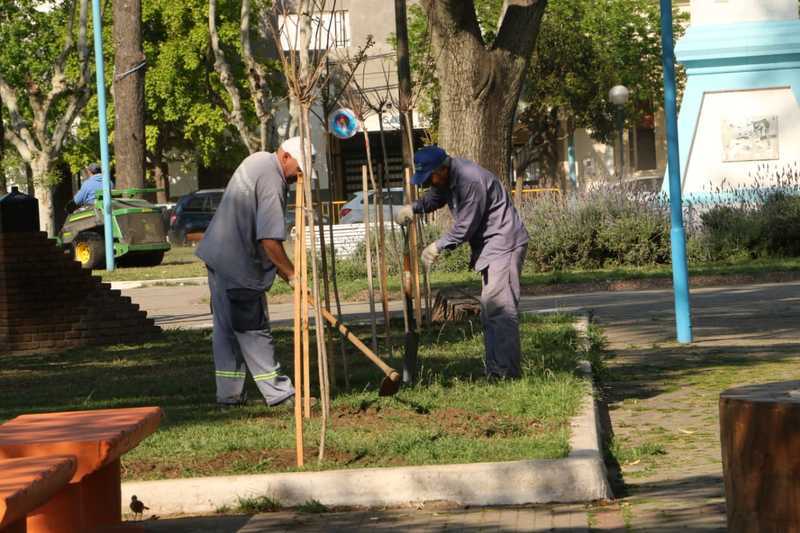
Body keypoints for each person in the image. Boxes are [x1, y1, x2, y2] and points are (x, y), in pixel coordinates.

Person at [196, 137, 314, 408]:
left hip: (218, 256)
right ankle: (280, 394)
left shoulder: (258, 159)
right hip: (239, 264)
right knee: (253, 329)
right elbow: (269, 240)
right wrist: (292, 275)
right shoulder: (273, 182)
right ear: (286, 157)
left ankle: (229, 396)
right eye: (300, 169)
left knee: (226, 331)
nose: (300, 177)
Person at [395, 146, 529, 380]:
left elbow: (466, 226)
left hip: (503, 244)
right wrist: (413, 208)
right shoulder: (447, 179)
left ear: (443, 169)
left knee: (500, 310)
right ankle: (496, 370)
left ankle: (505, 373)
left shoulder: (470, 181)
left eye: (430, 178)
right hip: (491, 247)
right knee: (490, 311)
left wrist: (438, 245)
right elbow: (435, 197)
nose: (429, 183)